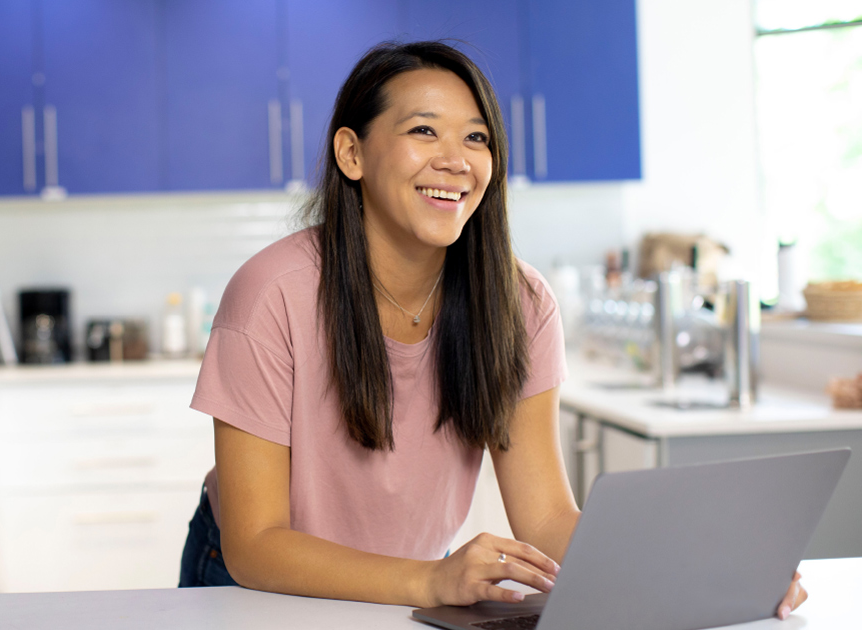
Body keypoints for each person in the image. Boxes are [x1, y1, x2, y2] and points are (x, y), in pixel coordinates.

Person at [178, 40, 806, 618]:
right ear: (352, 153)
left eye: (476, 138)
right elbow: (255, 545)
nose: (455, 160)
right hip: (256, 585)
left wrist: (712, 572)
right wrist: (431, 581)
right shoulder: (271, 294)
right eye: (424, 130)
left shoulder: (519, 303)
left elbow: (547, 518)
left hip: (406, 585)